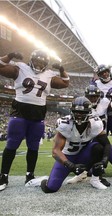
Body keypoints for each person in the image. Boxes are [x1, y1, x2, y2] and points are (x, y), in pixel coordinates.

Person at [0, 50, 69, 191]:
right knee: (12, 144)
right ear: (31, 60)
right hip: (19, 112)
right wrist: (11, 55)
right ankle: (3, 176)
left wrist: (61, 69)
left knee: (33, 146)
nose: (39, 65)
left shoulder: (49, 75)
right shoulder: (20, 68)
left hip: (38, 116)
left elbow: (66, 82)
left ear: (46, 64)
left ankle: (29, 176)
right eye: (37, 61)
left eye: (42, 63)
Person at [32, 97, 111, 193]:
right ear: (71, 111)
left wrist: (104, 161)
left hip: (83, 155)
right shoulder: (65, 124)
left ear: (89, 113)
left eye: (82, 112)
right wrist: (70, 165)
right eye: (76, 112)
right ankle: (43, 180)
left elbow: (106, 144)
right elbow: (55, 151)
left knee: (98, 147)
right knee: (50, 188)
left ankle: (95, 179)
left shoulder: (95, 124)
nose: (79, 115)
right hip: (67, 157)